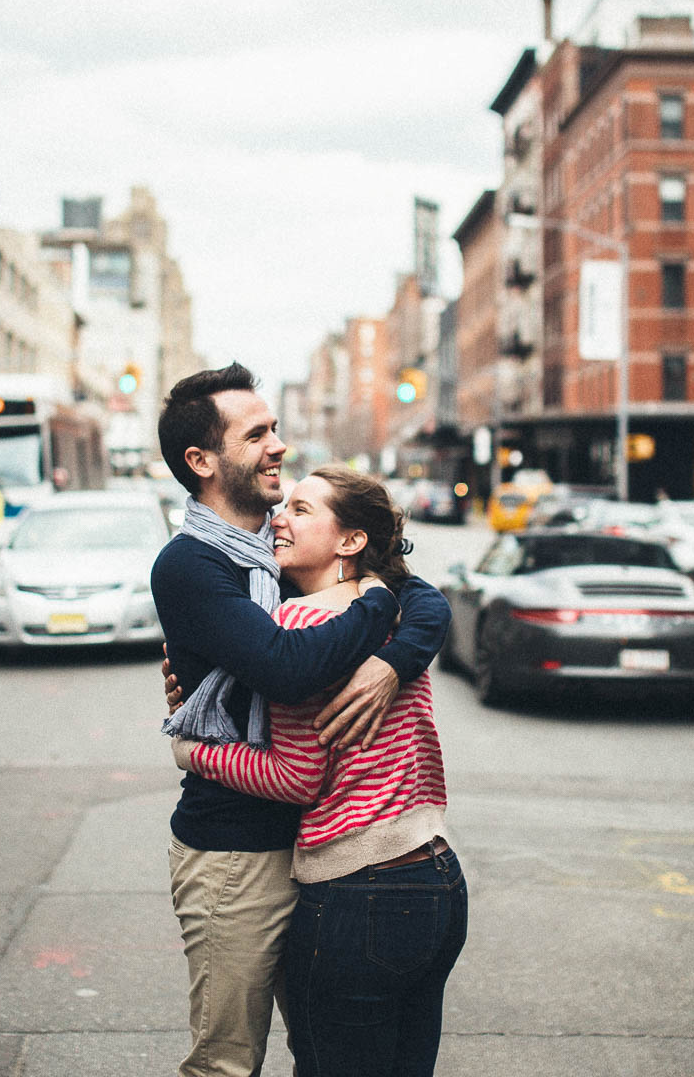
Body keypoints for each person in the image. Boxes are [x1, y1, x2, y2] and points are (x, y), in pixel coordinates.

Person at [152, 363, 448, 1077]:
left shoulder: (279, 554)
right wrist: (376, 602)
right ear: (203, 461)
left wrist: (391, 661)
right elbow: (287, 665)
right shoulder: (192, 565)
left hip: (322, 853)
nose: (277, 444)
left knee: (323, 1045)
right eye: (257, 434)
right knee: (226, 1061)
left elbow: (427, 597)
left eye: (275, 428)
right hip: (236, 855)